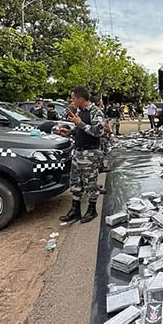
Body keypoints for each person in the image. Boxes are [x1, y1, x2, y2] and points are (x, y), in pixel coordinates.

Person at [57, 86, 106, 223]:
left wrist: (80, 124)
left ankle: (92, 209)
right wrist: (71, 132)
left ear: (81, 99)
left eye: (73, 98)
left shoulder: (96, 112)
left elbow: (99, 132)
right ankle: (75, 210)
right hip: (78, 152)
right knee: (75, 182)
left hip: (90, 153)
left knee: (90, 184)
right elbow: (80, 129)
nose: (72, 101)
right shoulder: (80, 111)